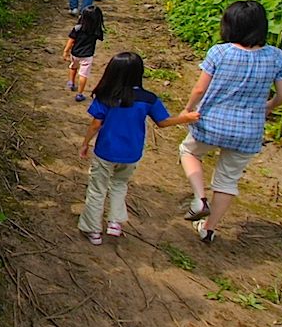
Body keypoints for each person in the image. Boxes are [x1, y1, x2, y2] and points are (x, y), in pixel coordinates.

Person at [180, 1, 282, 243]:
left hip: (212, 124)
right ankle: (208, 228)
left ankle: (199, 198)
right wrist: (268, 107)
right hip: (248, 129)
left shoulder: (220, 52)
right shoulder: (276, 56)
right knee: (228, 180)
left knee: (188, 151)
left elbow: (200, 89)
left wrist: (188, 110)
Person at [79, 52, 200, 245]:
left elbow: (96, 124)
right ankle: (115, 222)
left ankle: (92, 229)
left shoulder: (106, 95)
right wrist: (184, 119)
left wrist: (85, 143)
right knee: (119, 185)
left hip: (106, 151)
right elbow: (163, 122)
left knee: (97, 189)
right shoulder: (148, 99)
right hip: (131, 153)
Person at [63, 5, 104, 102]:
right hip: (87, 55)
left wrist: (65, 51)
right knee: (83, 75)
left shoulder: (78, 28)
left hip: (75, 53)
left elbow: (71, 41)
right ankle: (79, 94)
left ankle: (71, 83)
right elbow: (101, 37)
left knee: (73, 66)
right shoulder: (96, 30)